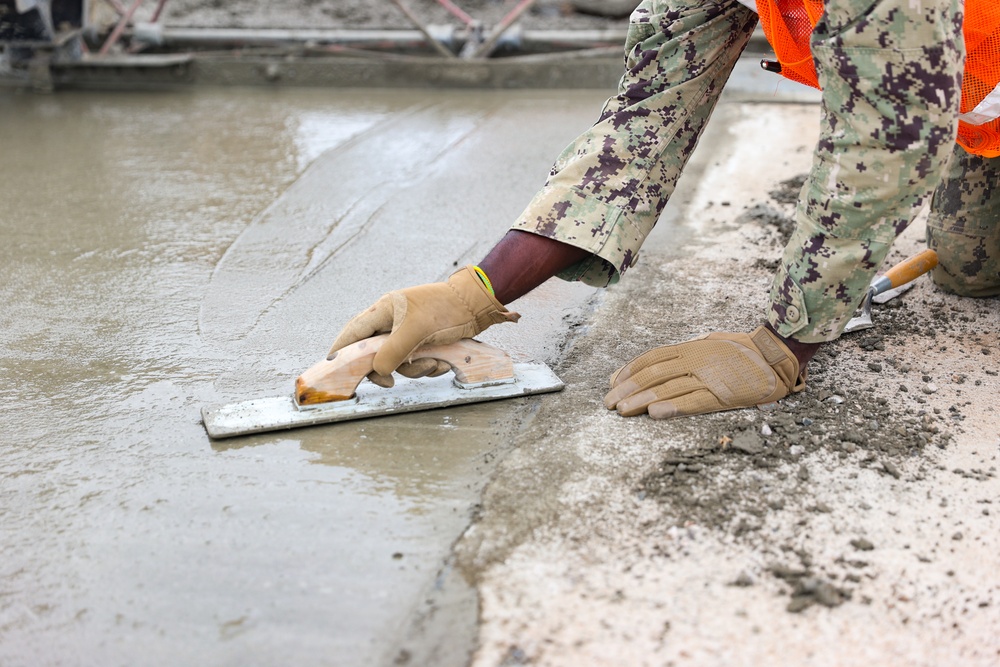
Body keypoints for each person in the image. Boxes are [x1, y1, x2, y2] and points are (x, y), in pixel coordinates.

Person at [328, 0, 1000, 419]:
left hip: (931, 104)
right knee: (970, 262)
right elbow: (643, 124)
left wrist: (783, 346)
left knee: (969, 257)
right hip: (967, 110)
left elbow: (885, 147)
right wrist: (473, 291)